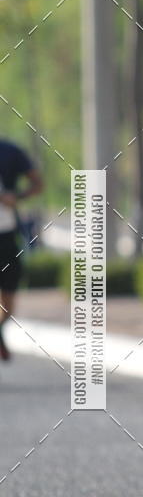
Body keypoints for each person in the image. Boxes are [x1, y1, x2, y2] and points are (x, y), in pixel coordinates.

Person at [0, 137, 43, 360]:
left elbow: (38, 184)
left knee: (9, 305)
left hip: (7, 236)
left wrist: (16, 197)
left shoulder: (10, 151)